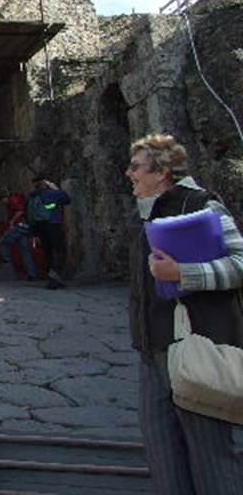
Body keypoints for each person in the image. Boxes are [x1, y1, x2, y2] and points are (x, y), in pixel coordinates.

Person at [126, 133, 243, 494]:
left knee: (212, 464)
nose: (129, 174)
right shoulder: (148, 214)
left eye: (136, 167)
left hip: (194, 349)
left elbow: (240, 263)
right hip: (153, 353)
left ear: (161, 172)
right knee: (164, 462)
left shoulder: (201, 206)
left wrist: (183, 274)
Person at [27, 175, 71, 289]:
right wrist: (55, 188)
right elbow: (67, 199)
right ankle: (54, 277)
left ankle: (53, 277)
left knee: (48, 252)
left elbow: (31, 217)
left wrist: (34, 234)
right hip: (53, 225)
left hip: (40, 228)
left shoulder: (32, 197)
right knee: (60, 251)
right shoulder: (50, 194)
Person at [0, 188, 39, 281]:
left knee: (2, 244)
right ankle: (32, 274)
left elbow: (20, 211)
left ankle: (8, 266)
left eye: (2, 201)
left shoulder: (12, 200)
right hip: (26, 226)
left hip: (19, 226)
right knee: (25, 250)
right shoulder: (19, 198)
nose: (3, 203)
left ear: (4, 198)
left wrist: (12, 221)